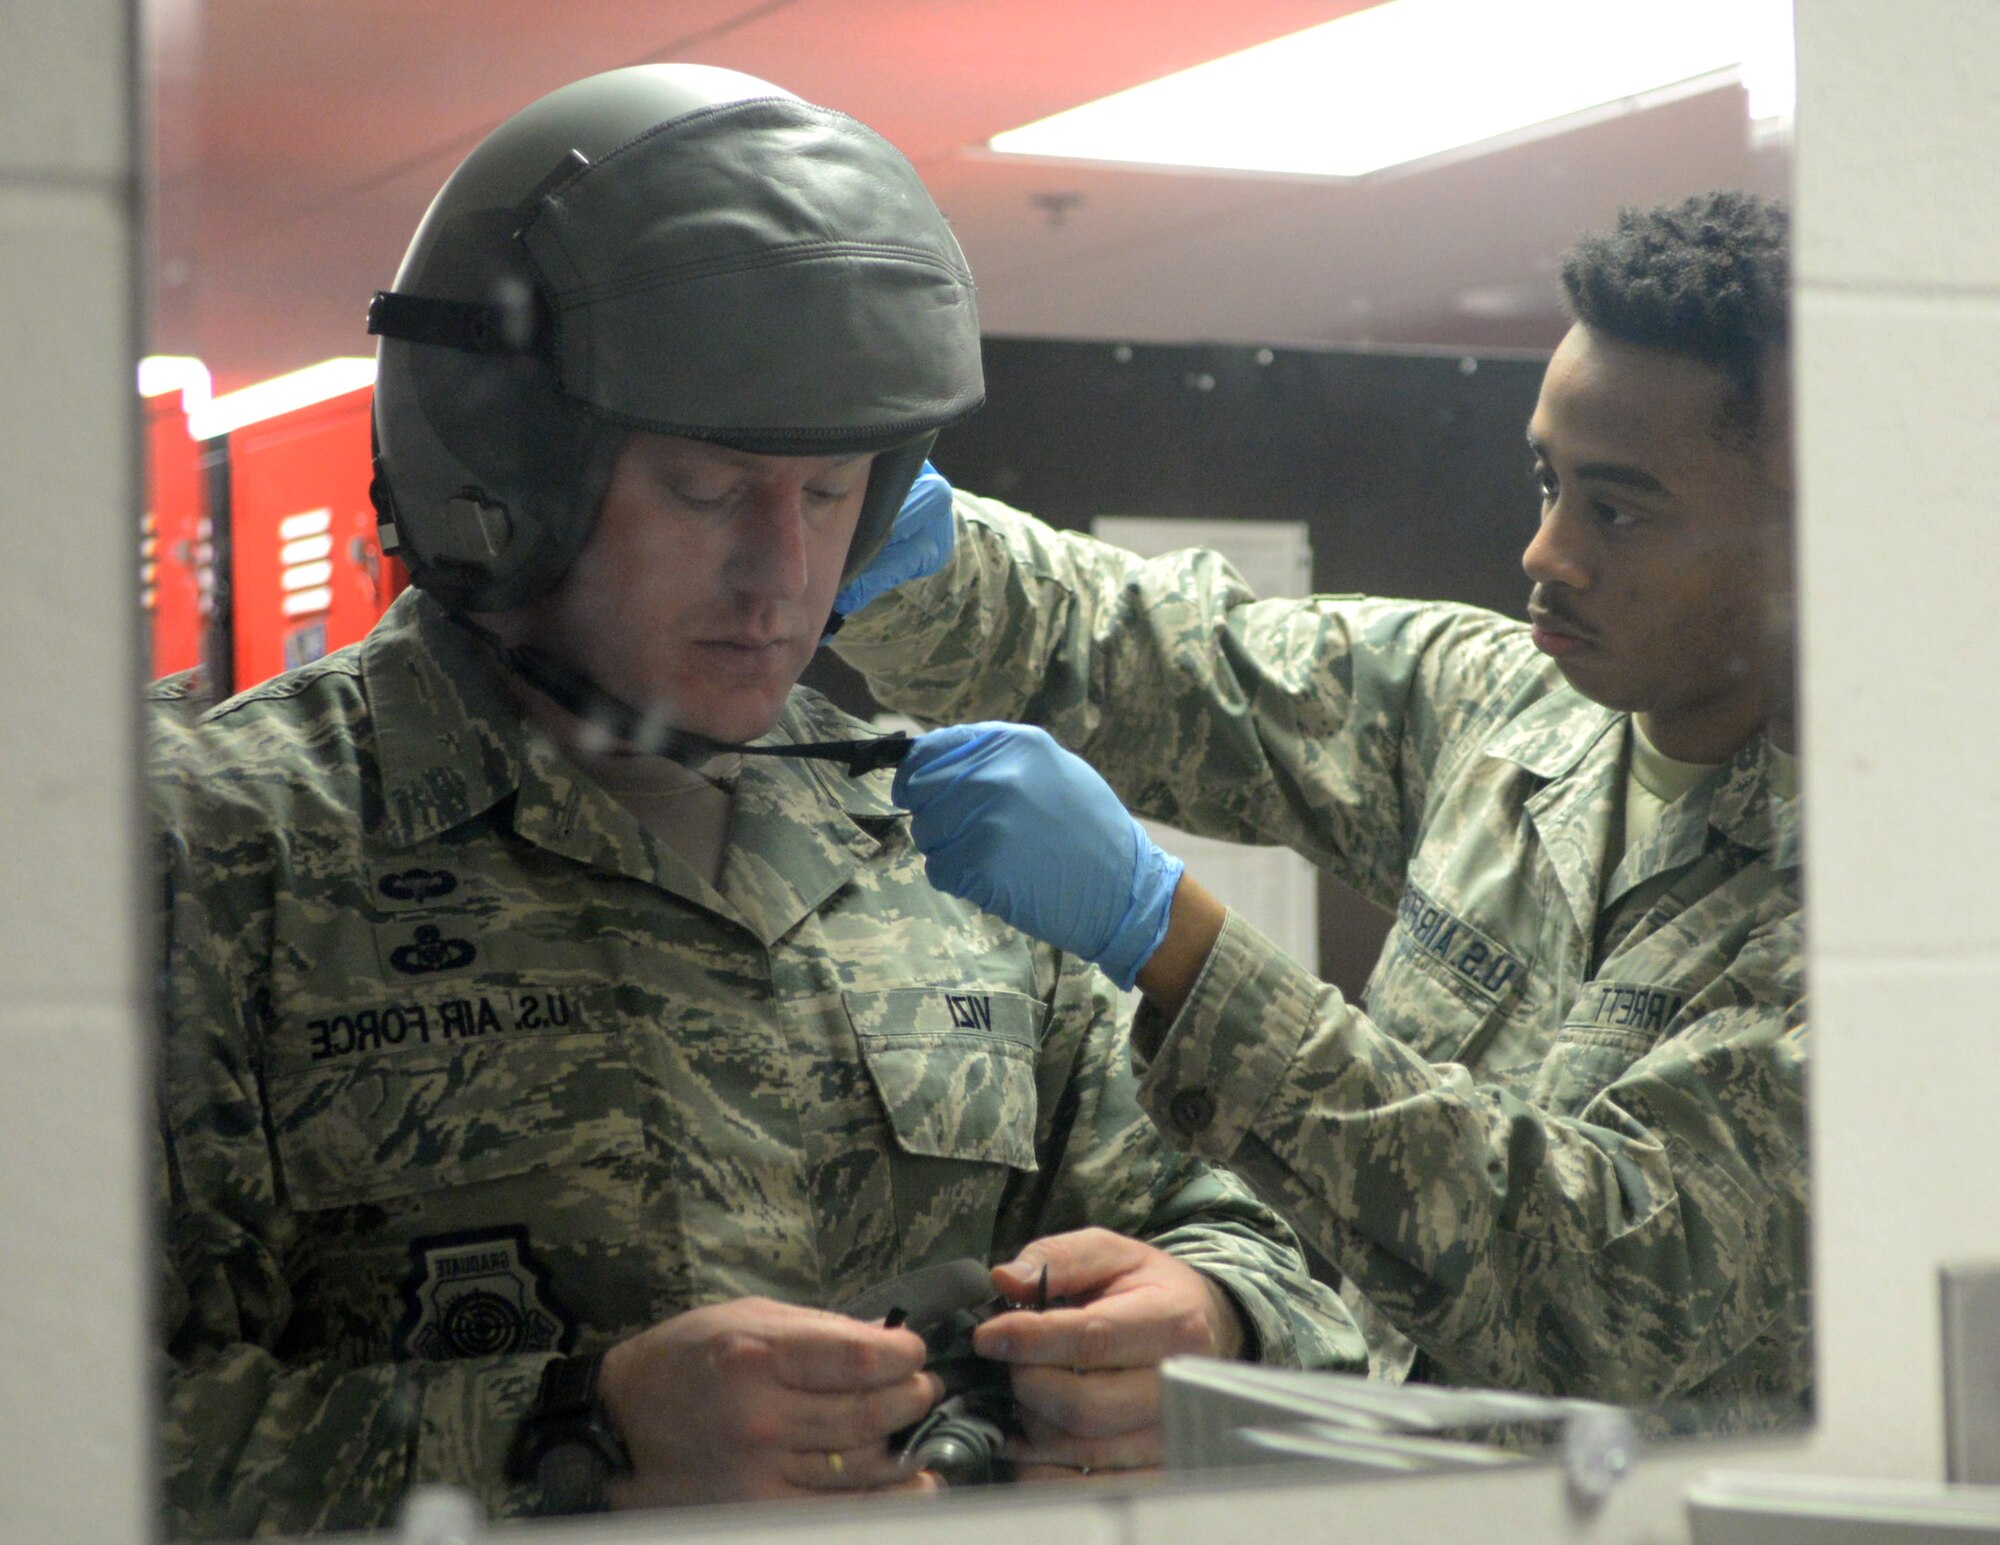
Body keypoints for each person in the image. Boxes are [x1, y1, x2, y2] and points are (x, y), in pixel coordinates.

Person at [149, 65, 1357, 1538]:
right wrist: (565, 1436)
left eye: (835, 490)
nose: (781, 576)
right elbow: (70, 1420)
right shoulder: (216, 855)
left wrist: (1210, 1319)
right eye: (710, 492)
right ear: (504, 472)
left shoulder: (943, 843)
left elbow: (1260, 1242)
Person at [832, 192, 1805, 1429]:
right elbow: (1169, 656)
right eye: (1544, 482)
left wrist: (1176, 944)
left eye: (1615, 509)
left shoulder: (1878, 912)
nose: (1544, 554)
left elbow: (1597, 1283)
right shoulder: (1507, 715)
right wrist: (880, 531)